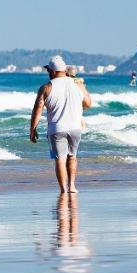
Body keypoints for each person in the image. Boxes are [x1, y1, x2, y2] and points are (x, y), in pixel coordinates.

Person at [29, 55, 92, 194]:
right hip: (76, 128)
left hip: (57, 128)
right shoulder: (78, 84)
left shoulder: (46, 87)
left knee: (60, 159)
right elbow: (88, 103)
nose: (48, 73)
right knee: (72, 156)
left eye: (48, 71)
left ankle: (64, 190)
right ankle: (72, 186)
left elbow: (38, 109)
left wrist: (32, 129)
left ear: (52, 71)